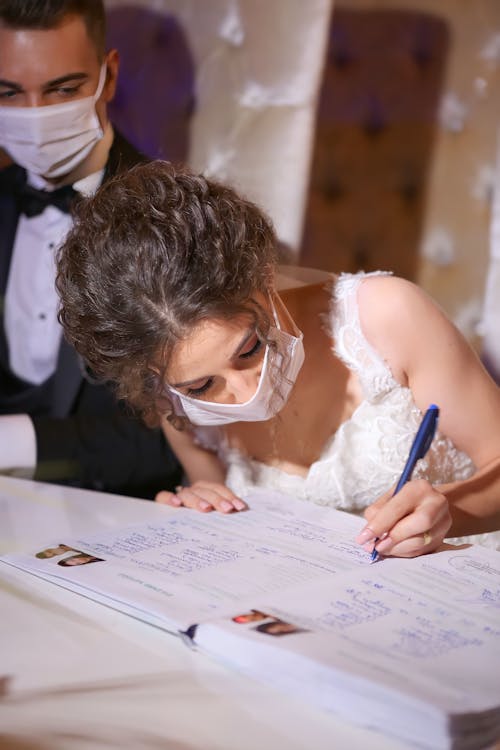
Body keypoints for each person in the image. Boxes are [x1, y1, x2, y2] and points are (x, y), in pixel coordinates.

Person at [56, 161, 500, 558]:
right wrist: (202, 509)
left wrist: (449, 512)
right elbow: (237, 530)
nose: (248, 391)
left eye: (249, 348)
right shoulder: (172, 404)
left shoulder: (386, 315)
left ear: (263, 276)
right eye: (201, 386)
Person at [0, 1, 181, 497]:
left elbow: (185, 435)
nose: (35, 117)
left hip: (118, 515)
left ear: (110, 77)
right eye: (8, 93)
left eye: (62, 89)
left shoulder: (174, 221)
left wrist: (12, 444)